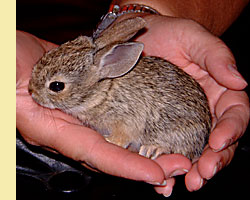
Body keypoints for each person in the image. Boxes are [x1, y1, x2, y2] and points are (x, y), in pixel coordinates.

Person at [16, 0, 250, 197]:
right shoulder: (94, 91)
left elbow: (126, 122)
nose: (33, 92)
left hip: (178, 125)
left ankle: (166, 148)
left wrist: (117, 139)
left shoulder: (109, 95)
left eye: (56, 87)